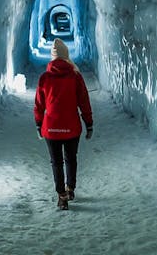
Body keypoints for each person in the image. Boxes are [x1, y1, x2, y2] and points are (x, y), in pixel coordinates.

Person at [34, 38, 93, 210]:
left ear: (52, 58)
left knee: (56, 162)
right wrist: (89, 123)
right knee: (71, 159)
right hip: (72, 127)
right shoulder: (75, 76)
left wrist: (38, 123)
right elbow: (84, 102)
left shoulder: (45, 78)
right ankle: (70, 188)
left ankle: (61, 196)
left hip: (51, 128)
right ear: (66, 56)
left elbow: (39, 104)